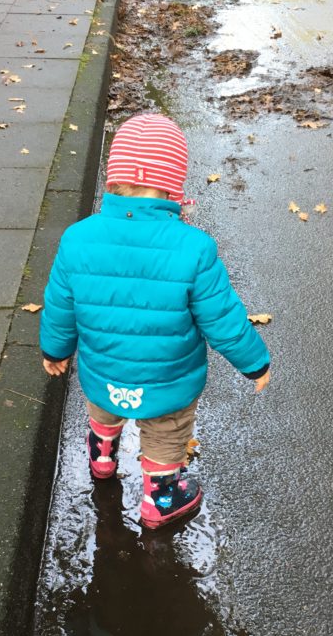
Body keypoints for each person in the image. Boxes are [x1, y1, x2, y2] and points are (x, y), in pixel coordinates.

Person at [40, 113, 271, 529]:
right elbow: (222, 318)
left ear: (113, 178)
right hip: (168, 381)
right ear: (173, 186)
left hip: (103, 371)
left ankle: (102, 459)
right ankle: (160, 500)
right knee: (166, 434)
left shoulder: (77, 238)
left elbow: (60, 304)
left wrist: (54, 351)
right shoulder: (194, 248)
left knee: (104, 413)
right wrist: (255, 362)